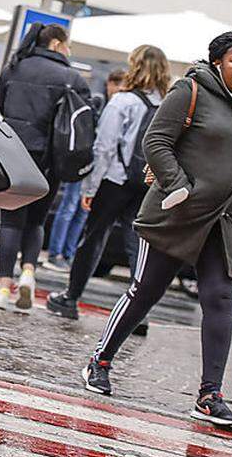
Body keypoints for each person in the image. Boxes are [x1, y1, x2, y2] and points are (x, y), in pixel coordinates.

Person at [81, 32, 232, 430]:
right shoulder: (190, 90)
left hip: (224, 220)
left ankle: (210, 395)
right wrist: (178, 185)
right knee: (146, 290)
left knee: (219, 299)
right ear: (218, 63)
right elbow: (156, 141)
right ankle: (101, 359)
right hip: (176, 212)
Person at [48, 47, 171, 321]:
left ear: (135, 66)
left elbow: (103, 147)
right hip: (147, 184)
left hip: (114, 181)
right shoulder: (168, 105)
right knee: (137, 244)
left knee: (93, 239)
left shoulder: (122, 102)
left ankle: (70, 298)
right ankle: (136, 312)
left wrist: (89, 188)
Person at [0, 23, 91, 311]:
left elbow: (1, 105)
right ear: (57, 44)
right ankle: (29, 274)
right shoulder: (71, 77)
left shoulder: (14, 68)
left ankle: (3, 286)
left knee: (11, 220)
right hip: (49, 160)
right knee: (35, 221)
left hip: (14, 154)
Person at [46, 69, 126, 272]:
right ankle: (56, 253)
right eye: (115, 84)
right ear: (109, 84)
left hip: (97, 166)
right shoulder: (99, 103)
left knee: (81, 211)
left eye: (121, 85)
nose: (117, 89)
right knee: (70, 206)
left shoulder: (119, 107)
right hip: (83, 161)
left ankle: (69, 254)